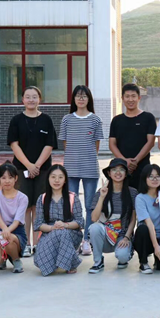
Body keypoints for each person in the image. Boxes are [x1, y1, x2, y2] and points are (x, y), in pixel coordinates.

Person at [7, 86, 58, 258]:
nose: (31, 100)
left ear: (39, 99)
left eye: (34, 97)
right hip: (21, 170)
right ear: (22, 100)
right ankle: (26, 243)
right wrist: (29, 165)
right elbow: (14, 145)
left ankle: (37, 243)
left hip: (43, 170)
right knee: (25, 207)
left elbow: (49, 145)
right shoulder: (16, 120)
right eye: (27, 97)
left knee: (38, 206)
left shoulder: (46, 120)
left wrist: (36, 165)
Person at [59, 85, 103, 256]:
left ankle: (87, 240)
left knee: (90, 204)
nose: (81, 99)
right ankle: (74, 239)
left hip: (90, 167)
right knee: (72, 204)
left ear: (89, 99)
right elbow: (65, 144)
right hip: (70, 168)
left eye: (84, 96)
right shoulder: (67, 119)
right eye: (78, 96)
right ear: (74, 99)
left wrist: (86, 157)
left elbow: (96, 145)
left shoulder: (95, 120)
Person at [33, 164, 84, 276]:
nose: (57, 180)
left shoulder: (72, 197)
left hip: (71, 233)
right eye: (53, 177)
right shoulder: (42, 198)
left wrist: (65, 225)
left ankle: (71, 263)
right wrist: (53, 227)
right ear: (48, 179)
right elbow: (38, 224)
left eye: (60, 177)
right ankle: (70, 261)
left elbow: (79, 222)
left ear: (65, 180)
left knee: (62, 233)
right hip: (48, 233)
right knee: (38, 261)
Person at [88, 158, 137, 274]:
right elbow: (94, 218)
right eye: (114, 169)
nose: (118, 172)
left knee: (123, 256)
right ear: (109, 173)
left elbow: (133, 219)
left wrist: (126, 237)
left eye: (121, 169)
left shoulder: (132, 192)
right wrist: (102, 197)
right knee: (94, 228)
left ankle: (125, 254)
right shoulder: (101, 192)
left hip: (122, 236)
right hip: (105, 235)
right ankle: (98, 261)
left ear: (126, 173)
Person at [109, 83, 156, 191]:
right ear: (122, 98)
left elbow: (150, 142)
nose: (130, 99)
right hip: (121, 169)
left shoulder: (148, 118)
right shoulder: (116, 120)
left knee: (143, 196)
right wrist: (124, 161)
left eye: (133, 96)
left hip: (143, 167)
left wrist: (135, 161)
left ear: (139, 98)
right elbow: (112, 144)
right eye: (127, 96)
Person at [0, 161, 28, 273]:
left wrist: (7, 231)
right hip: (1, 230)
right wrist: (4, 229)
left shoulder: (22, 198)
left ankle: (16, 259)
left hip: (17, 232)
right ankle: (3, 257)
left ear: (16, 178)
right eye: (3, 178)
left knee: (8, 239)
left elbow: (17, 220)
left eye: (10, 177)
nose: (7, 181)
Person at [134, 164, 160, 274]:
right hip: (148, 237)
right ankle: (143, 262)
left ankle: (158, 261)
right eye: (151, 176)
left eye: (157, 176)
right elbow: (149, 223)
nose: (155, 179)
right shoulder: (140, 198)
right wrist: (156, 246)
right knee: (142, 229)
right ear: (144, 178)